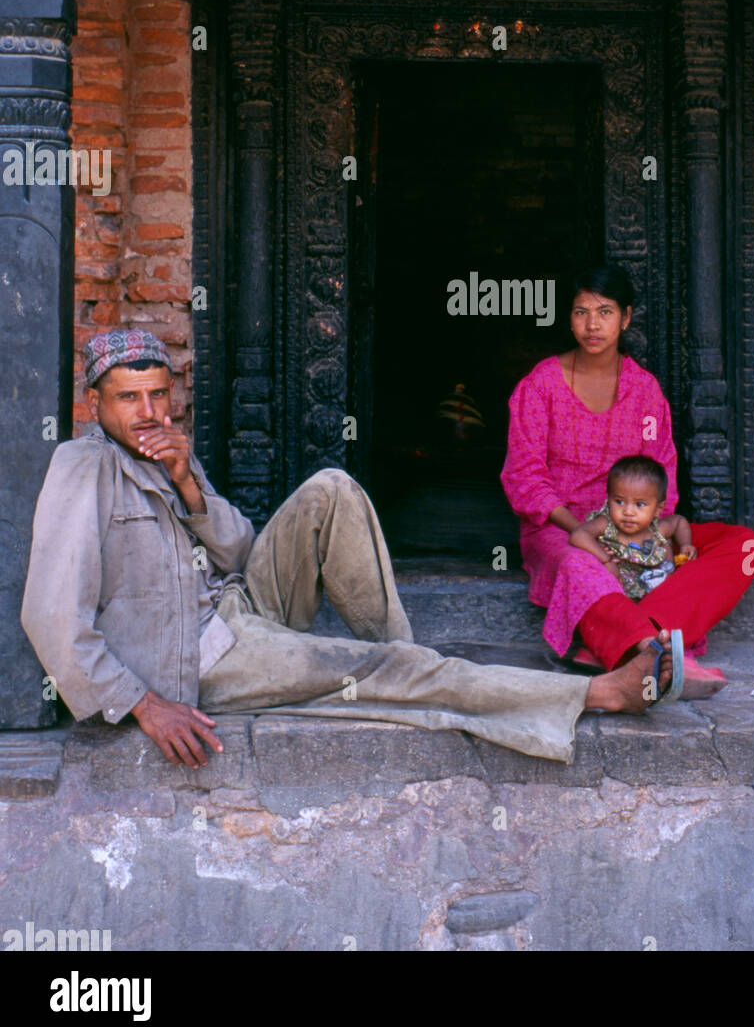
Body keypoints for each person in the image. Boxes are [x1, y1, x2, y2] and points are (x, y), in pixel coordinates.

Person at [21, 329, 681, 772]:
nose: (148, 412)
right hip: (202, 656)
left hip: (238, 604)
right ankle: (596, 695)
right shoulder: (86, 468)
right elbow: (51, 619)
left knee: (329, 488)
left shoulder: (166, 452)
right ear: (95, 404)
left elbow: (240, 551)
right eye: (128, 399)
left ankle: (406, 655)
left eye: (159, 395)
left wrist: (188, 481)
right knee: (391, 673)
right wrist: (144, 704)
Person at [501, 264, 754, 694]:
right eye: (581, 312)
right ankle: (652, 652)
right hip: (565, 528)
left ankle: (609, 643)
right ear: (569, 317)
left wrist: (647, 537)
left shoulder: (644, 392)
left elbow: (662, 474)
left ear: (626, 317)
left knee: (742, 546)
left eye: (604, 311)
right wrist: (585, 532)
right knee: (579, 564)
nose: (592, 324)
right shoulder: (541, 386)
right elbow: (525, 478)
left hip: (638, 524)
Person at [570, 454, 696, 602]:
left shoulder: (656, 530)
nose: (628, 512)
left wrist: (685, 543)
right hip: (616, 592)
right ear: (608, 500)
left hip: (652, 590)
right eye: (619, 501)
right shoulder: (606, 524)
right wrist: (605, 560)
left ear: (657, 509)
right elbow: (578, 534)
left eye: (640, 504)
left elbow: (679, 521)